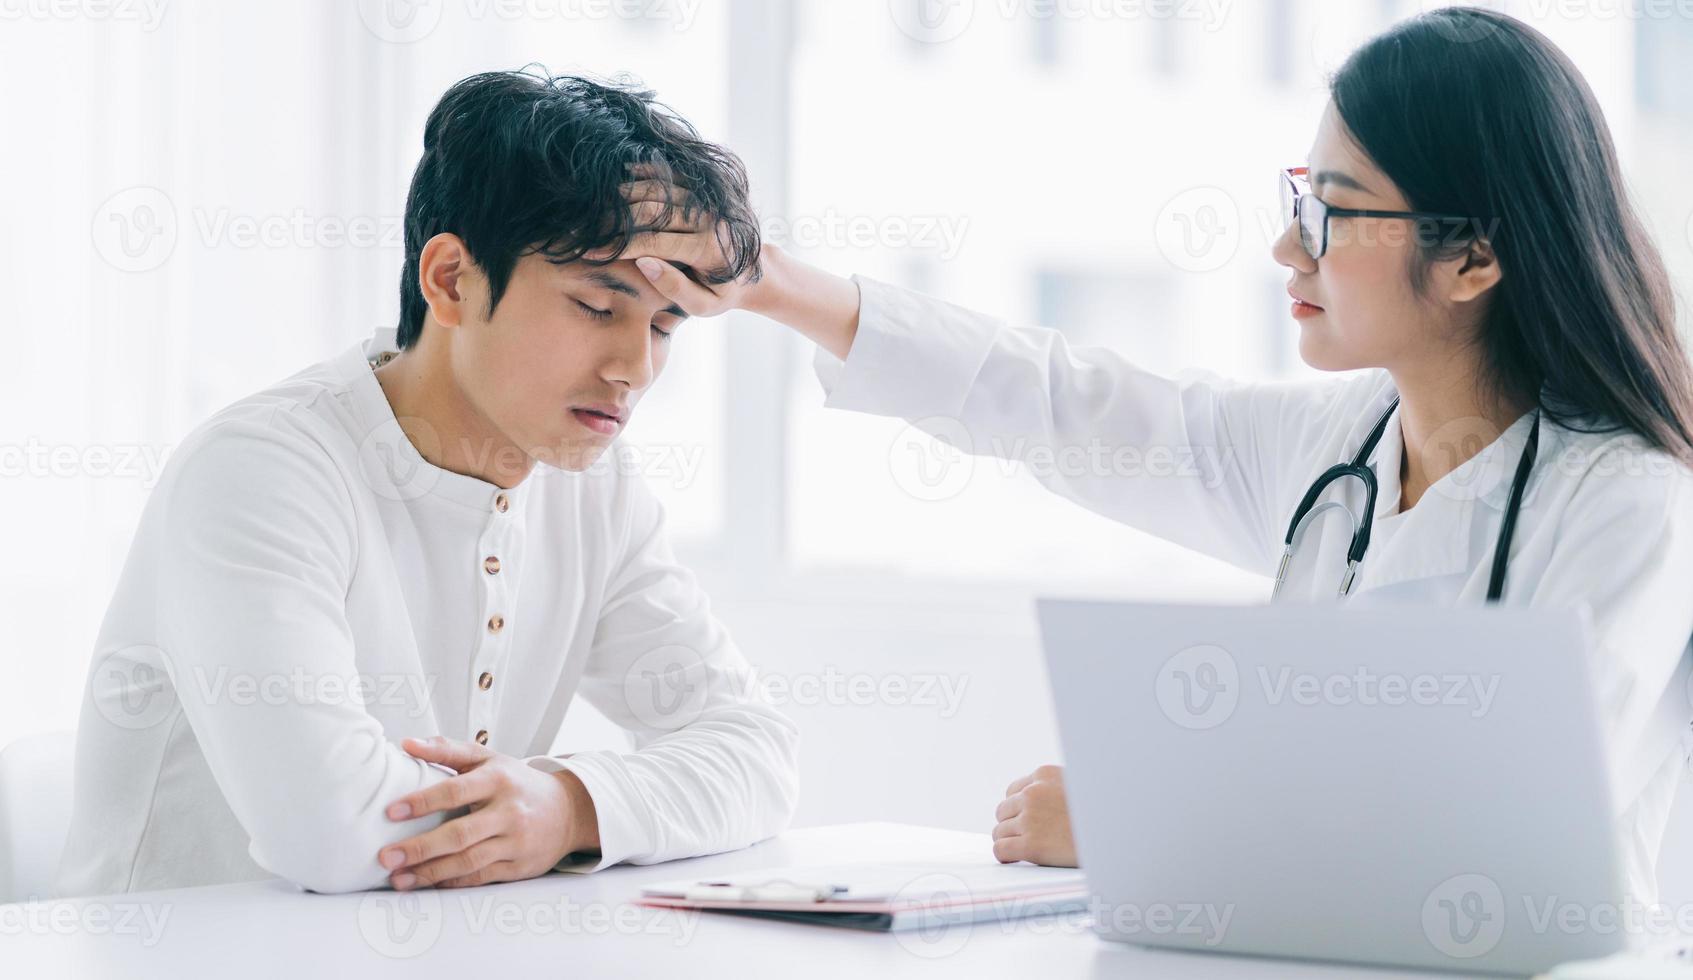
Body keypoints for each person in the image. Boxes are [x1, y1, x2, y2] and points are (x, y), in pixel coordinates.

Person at [610, 8, 1693, 906]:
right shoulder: (1342, 449)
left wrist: (1137, 817)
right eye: (1297, 197)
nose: (1285, 245)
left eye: (1333, 210)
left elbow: (1510, 839)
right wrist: (775, 286)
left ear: (1473, 257)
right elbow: (1071, 406)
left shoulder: (1627, 502)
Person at [56, 70, 798, 897]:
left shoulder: (595, 488)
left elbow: (755, 753)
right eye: (597, 307)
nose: (635, 368)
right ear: (450, 280)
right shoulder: (261, 470)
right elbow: (332, 830)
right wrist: (564, 811)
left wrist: (568, 805)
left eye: (664, 326)